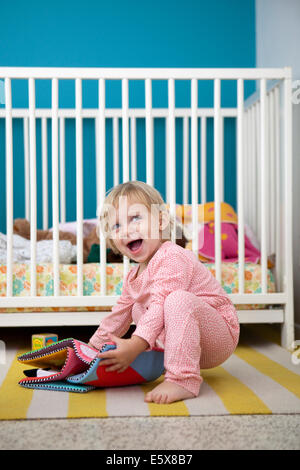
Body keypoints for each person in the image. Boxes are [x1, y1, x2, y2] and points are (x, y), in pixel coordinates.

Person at [88, 181, 240, 404]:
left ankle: (183, 380)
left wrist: (135, 344)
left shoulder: (172, 256)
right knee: (136, 305)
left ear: (160, 221)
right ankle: (173, 362)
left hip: (217, 335)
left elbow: (161, 304)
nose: (127, 229)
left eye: (135, 218)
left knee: (173, 299)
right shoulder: (133, 276)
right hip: (183, 341)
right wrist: (91, 350)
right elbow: (118, 316)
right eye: (117, 225)